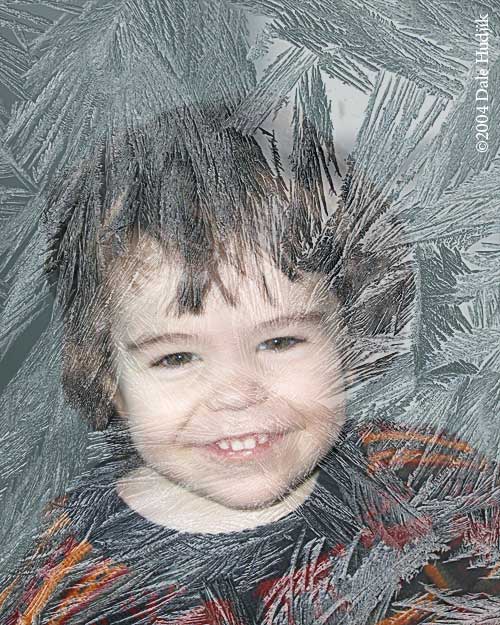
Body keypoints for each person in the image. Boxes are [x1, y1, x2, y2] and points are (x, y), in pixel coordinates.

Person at [1, 114, 499, 625]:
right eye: (176, 357)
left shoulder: (434, 479)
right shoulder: (62, 592)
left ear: (348, 342)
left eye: (280, 341)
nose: (238, 393)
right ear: (112, 382)